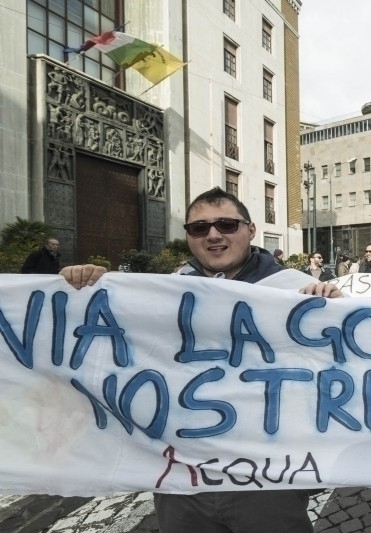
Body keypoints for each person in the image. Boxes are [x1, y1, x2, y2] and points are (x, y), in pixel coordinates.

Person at [59, 187, 341, 533]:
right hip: (183, 478)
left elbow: (345, 365)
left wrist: (337, 310)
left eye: (226, 225)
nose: (213, 235)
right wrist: (84, 289)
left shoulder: (295, 289)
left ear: (250, 230)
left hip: (267, 479)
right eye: (199, 228)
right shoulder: (166, 291)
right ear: (189, 237)